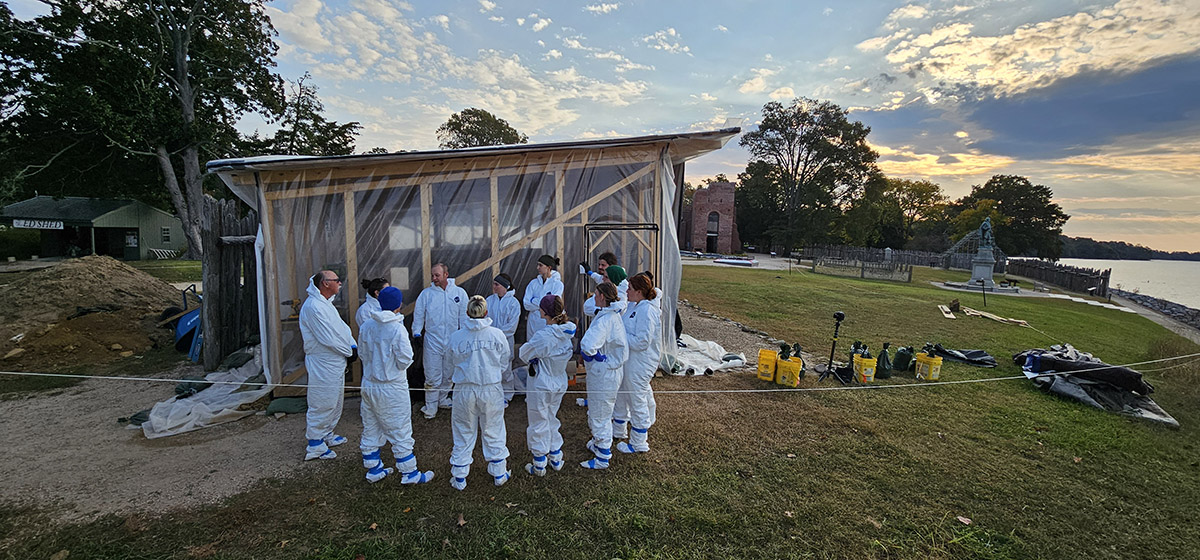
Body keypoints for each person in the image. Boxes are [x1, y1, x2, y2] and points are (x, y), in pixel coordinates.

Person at [357, 287, 435, 484]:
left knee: (371, 426)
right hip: (391, 386)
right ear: (399, 305)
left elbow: (362, 354)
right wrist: (393, 368)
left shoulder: (367, 325)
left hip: (369, 384)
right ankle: (409, 473)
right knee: (400, 428)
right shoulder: (396, 328)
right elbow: (406, 358)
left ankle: (373, 468)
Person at [446, 295, 512, 490]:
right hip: (491, 388)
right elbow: (504, 360)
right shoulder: (497, 335)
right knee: (494, 428)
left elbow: (450, 361)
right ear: (486, 312)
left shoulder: (456, 336)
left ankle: (459, 476)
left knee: (463, 430)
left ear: (467, 313)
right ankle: (499, 472)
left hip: (465, 389)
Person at [298, 270, 357, 461]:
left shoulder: (326, 305)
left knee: (335, 399)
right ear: (325, 283)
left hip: (335, 360)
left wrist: (352, 344)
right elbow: (328, 338)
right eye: (336, 280)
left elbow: (342, 329)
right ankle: (315, 443)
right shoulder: (313, 307)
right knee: (323, 400)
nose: (340, 283)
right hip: (323, 362)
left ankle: (326, 433)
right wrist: (349, 351)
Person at [518, 295, 575, 476]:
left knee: (538, 420)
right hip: (559, 381)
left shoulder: (545, 336)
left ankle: (539, 463)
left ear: (544, 312)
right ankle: (556, 456)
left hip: (542, 383)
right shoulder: (566, 333)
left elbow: (524, 353)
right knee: (551, 417)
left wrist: (535, 356)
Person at [578, 281, 628, 469]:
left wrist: (594, 356)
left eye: (595, 294)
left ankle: (602, 456)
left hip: (604, 373)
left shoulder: (606, 320)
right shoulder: (611, 315)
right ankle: (599, 443)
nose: (593, 298)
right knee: (601, 410)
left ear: (601, 297)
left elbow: (588, 345)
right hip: (610, 370)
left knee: (600, 413)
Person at [613, 274, 662, 454]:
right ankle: (619, 428)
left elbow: (642, 341)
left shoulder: (648, 310)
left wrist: (620, 339)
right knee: (624, 393)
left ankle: (639, 441)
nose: (627, 291)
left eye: (630, 289)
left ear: (639, 292)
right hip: (630, 360)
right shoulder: (634, 306)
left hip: (641, 362)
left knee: (637, 398)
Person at [412, 263, 468, 419]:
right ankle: (430, 405)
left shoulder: (459, 293)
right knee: (432, 373)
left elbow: (463, 317)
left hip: (452, 339)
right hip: (432, 341)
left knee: (449, 372)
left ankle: (443, 398)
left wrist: (464, 336)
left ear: (446, 275)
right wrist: (416, 333)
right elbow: (419, 315)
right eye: (432, 275)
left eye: (437, 275)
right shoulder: (426, 294)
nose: (434, 278)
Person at [485, 273, 520, 404]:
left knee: (505, 369)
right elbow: (484, 319)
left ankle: (507, 395)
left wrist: (496, 334)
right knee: (491, 366)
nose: (494, 287)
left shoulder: (513, 303)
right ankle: (493, 393)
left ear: (505, 286)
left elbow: (512, 326)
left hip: (506, 341)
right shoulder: (489, 300)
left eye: (497, 284)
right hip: (490, 341)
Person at [523, 255, 564, 340]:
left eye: (540, 265)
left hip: (548, 323)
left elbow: (553, 304)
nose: (538, 267)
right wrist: (544, 302)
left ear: (549, 267)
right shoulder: (533, 283)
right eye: (538, 265)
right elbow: (526, 304)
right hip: (533, 323)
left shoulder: (557, 284)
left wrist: (534, 300)